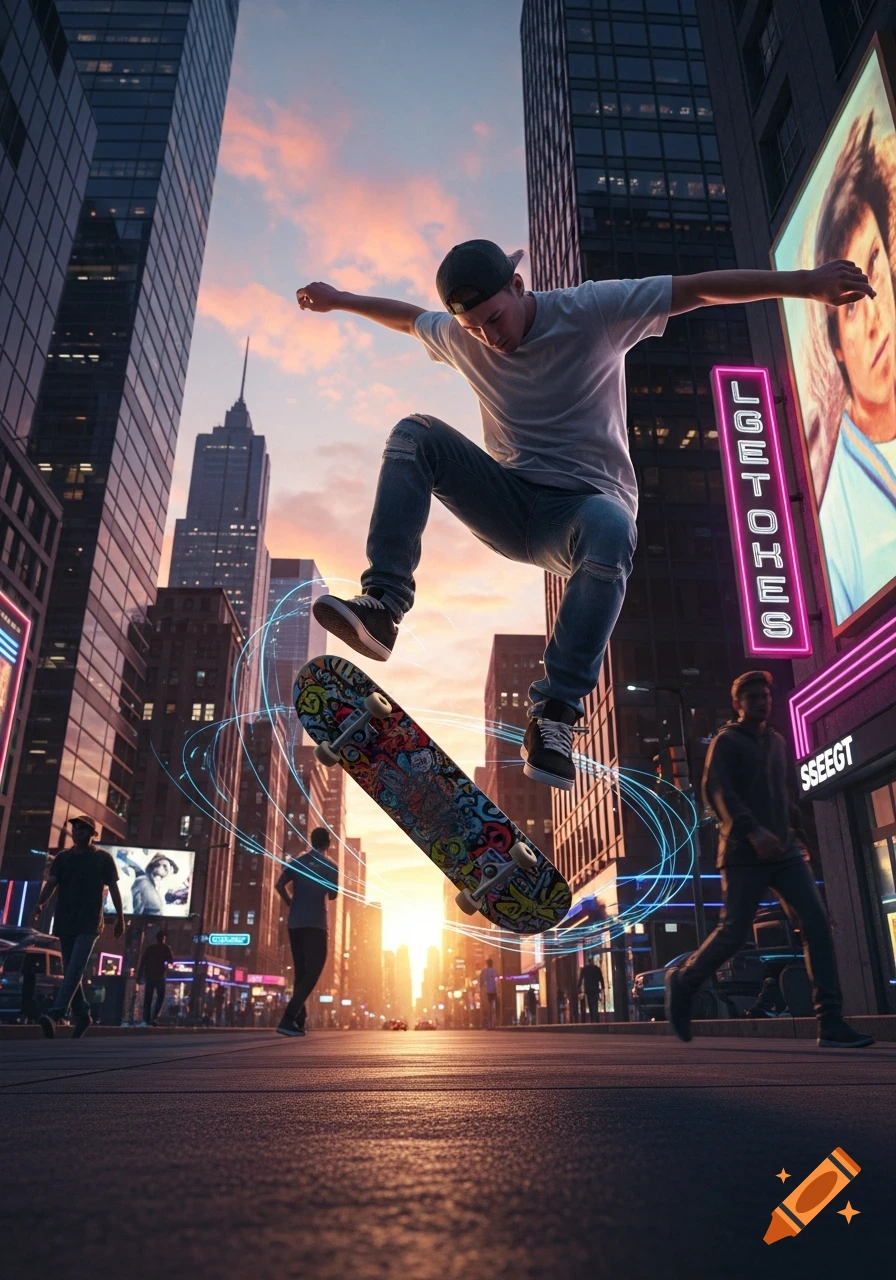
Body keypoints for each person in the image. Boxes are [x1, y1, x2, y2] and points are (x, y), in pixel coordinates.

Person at [297, 244, 872, 790]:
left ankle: (555, 714)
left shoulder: (593, 309)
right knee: (414, 434)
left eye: (496, 319)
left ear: (519, 287)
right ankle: (384, 606)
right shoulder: (462, 336)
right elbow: (408, 318)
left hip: (579, 515)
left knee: (613, 525)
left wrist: (807, 284)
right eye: (475, 330)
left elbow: (697, 290)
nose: (491, 338)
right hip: (508, 503)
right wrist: (340, 299)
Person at [665, 672, 875, 1050]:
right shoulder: (726, 743)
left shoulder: (778, 743)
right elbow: (718, 793)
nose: (763, 701)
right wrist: (752, 831)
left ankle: (829, 1021)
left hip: (786, 853)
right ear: (738, 703)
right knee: (733, 933)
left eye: (766, 695)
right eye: (753, 696)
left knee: (817, 925)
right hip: (743, 853)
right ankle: (684, 981)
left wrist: (799, 838)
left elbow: (785, 798)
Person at [813, 113, 896, 625]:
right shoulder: (836, 521)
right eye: (848, 305)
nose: (870, 315)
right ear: (837, 348)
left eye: (873, 270)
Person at [32, 815, 124, 1039]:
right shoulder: (63, 858)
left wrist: (120, 917)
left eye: (84, 830)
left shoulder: (103, 859)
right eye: (76, 829)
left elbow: (113, 889)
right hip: (65, 922)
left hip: (90, 923)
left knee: (74, 969)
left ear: (93, 835)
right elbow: (51, 883)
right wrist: (40, 904)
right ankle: (83, 1014)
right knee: (72, 971)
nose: (78, 832)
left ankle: (55, 1014)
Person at [274, 826, 338, 1037]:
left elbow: (279, 885)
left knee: (300, 972)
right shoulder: (330, 866)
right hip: (316, 924)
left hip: (295, 924)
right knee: (314, 971)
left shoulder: (298, 862)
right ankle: (288, 1017)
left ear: (311, 841)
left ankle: (299, 1022)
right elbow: (332, 895)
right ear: (328, 844)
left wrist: (291, 903)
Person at [138, 928, 174, 1026]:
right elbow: (171, 961)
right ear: (163, 938)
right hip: (159, 976)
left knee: (148, 998)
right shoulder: (166, 948)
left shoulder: (150, 948)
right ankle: (154, 1018)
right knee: (160, 996)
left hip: (149, 975)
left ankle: (147, 1019)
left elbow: (142, 962)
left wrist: (139, 976)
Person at [578, 955, 605, 1023]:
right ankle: (595, 1017)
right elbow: (601, 978)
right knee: (595, 1003)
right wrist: (603, 987)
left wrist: (578, 987)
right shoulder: (597, 969)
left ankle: (593, 1017)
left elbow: (581, 979)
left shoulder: (585, 969)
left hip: (588, 989)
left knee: (590, 1003)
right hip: (595, 988)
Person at [479, 958, 499, 1028]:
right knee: (494, 1006)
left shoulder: (485, 971)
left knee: (489, 1007)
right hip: (494, 990)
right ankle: (494, 1021)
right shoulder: (494, 971)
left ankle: (490, 1022)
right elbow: (497, 980)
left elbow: (482, 981)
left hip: (488, 991)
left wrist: (481, 989)